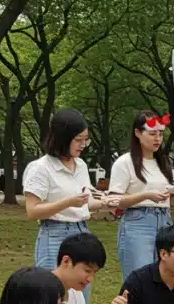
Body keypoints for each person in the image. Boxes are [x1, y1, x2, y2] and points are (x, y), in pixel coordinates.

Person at [24, 109, 110, 281]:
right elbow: (32, 211)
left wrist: (105, 202)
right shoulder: (41, 168)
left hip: (82, 231)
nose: (83, 144)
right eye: (78, 140)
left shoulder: (81, 165)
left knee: (81, 289)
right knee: (54, 292)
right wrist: (67, 202)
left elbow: (85, 202)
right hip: (55, 234)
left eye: (86, 140)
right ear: (62, 138)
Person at [108, 110, 174, 280]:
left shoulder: (164, 162)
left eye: (161, 134)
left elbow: (169, 200)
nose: (158, 138)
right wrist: (144, 196)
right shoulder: (125, 163)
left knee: (166, 277)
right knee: (140, 278)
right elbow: (113, 202)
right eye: (152, 133)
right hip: (138, 222)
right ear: (138, 133)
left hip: (165, 220)